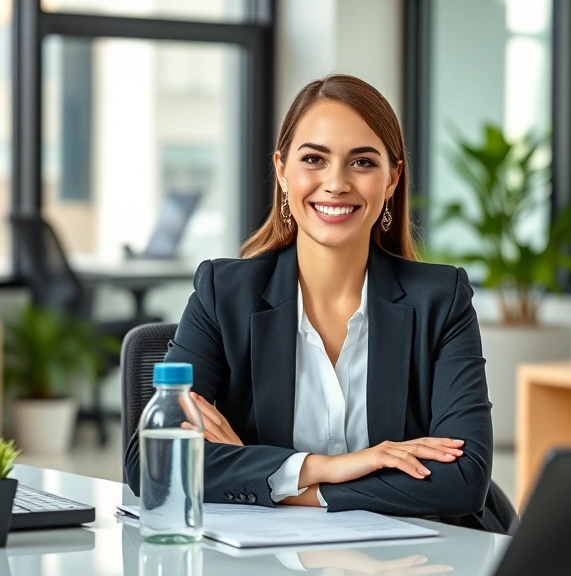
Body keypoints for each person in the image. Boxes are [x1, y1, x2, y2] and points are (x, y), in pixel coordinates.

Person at [125, 74, 510, 533]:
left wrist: (285, 484)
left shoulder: (441, 300)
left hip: (421, 555)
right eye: (314, 159)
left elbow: (461, 482)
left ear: (392, 179)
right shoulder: (223, 293)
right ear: (283, 171)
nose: (336, 183)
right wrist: (326, 466)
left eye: (362, 162)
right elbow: (151, 461)